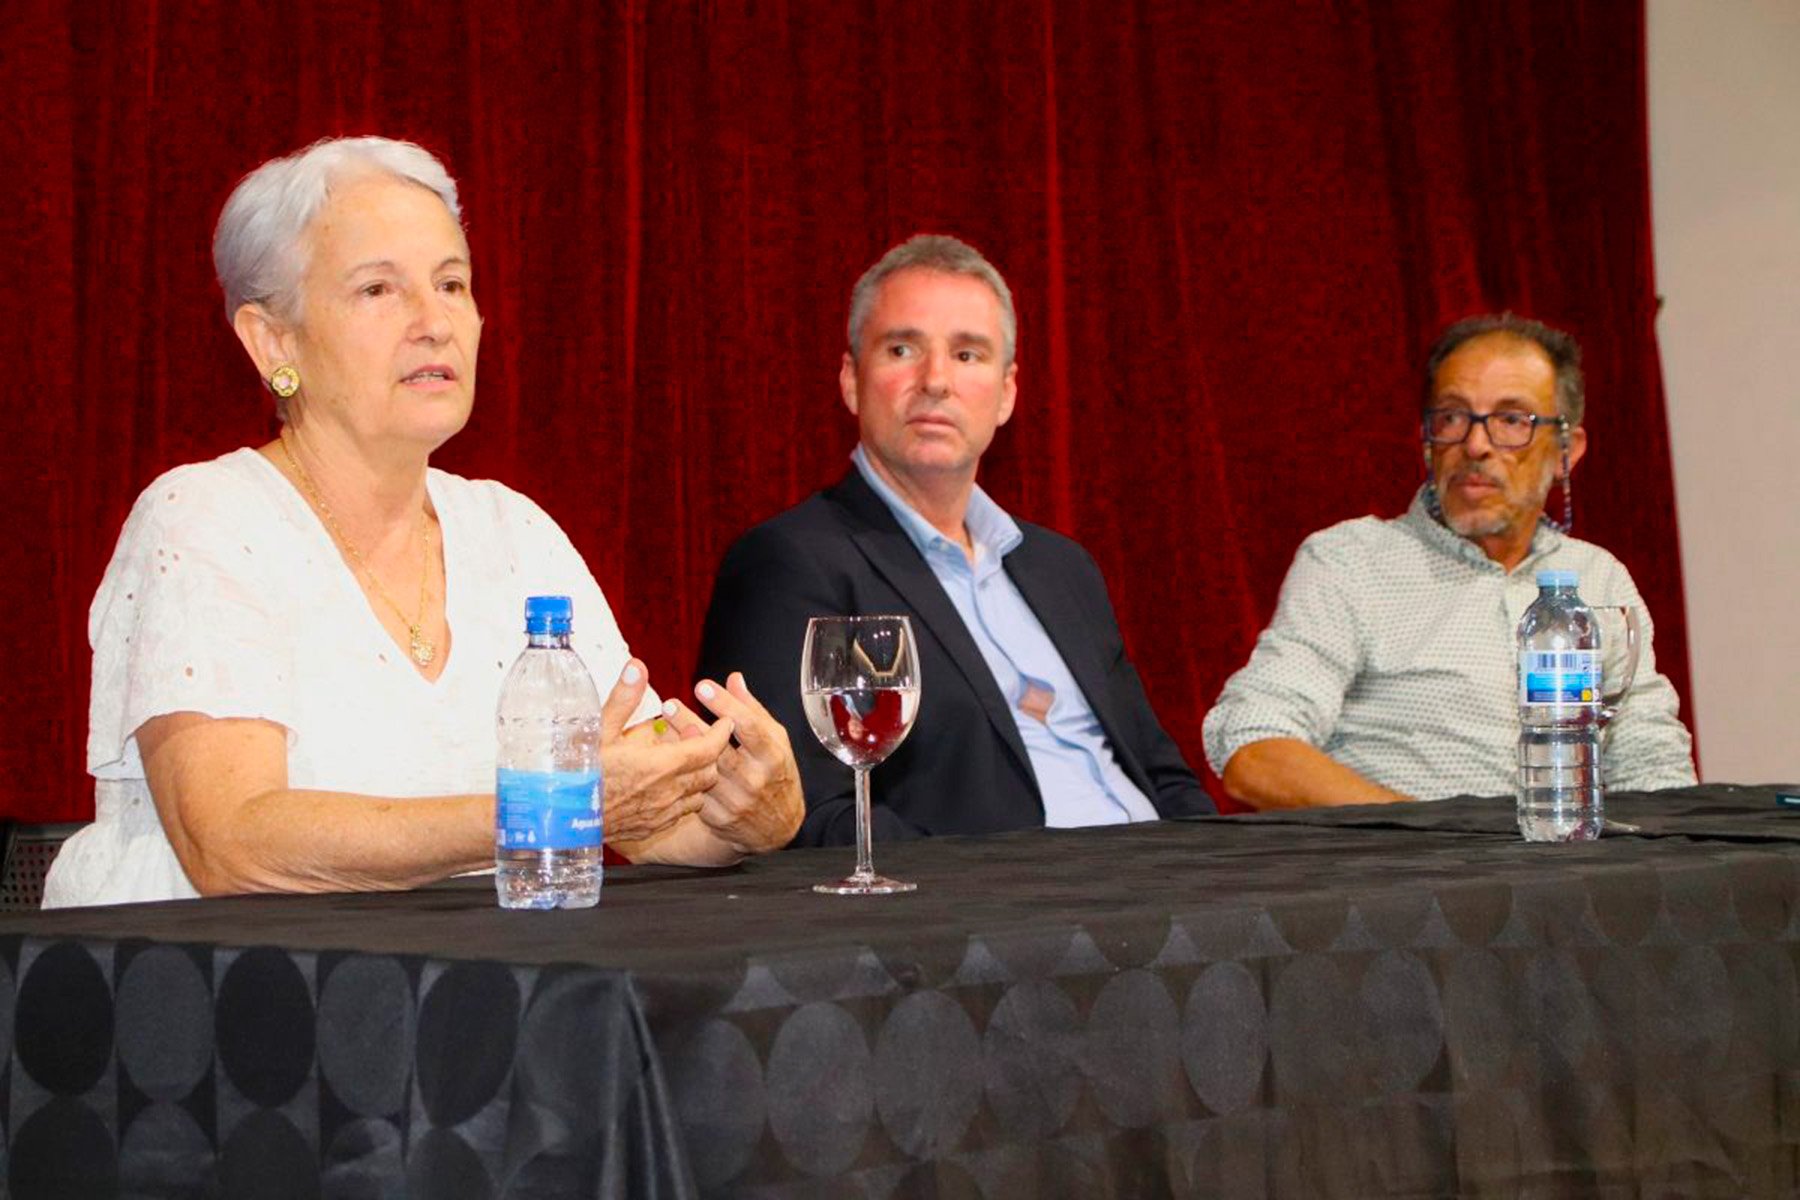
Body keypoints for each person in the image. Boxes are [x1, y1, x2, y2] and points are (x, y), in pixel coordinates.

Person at [44, 136, 802, 907]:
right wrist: (538, 812)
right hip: (205, 997)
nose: (433, 322)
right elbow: (233, 843)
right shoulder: (205, 519)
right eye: (379, 290)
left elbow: (650, 818)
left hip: (447, 994)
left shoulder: (514, 533)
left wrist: (748, 813)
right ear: (274, 341)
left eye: (451, 284)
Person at [695, 234, 1212, 846]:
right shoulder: (791, 562)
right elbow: (807, 815)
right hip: (1002, 919)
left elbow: (1164, 779)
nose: (936, 380)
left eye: (968, 355)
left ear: (1007, 393)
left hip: (1165, 898)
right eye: (902, 348)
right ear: (852, 381)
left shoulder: (1063, 568)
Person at [1203, 314, 1696, 809]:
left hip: (1568, 873)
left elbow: (1650, 762)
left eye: (1510, 420)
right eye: (1453, 418)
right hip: (1411, 875)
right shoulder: (1351, 562)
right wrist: (1425, 837)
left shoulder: (1598, 579)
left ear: (1567, 451)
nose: (1475, 445)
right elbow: (1256, 748)